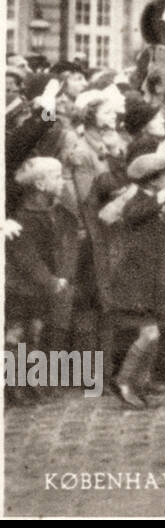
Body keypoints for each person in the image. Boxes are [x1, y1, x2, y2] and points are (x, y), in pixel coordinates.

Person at [108, 152, 165, 409]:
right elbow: (134, 215)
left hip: (153, 278)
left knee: (154, 333)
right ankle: (124, 381)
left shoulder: (156, 203)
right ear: (153, 181)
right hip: (136, 280)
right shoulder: (137, 202)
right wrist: (164, 197)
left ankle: (140, 380)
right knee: (149, 334)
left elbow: (164, 234)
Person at [5, 157, 80, 403]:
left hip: (39, 289)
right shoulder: (23, 219)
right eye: (57, 177)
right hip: (21, 288)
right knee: (17, 335)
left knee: (35, 333)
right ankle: (15, 389)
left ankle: (33, 385)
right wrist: (51, 281)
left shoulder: (52, 211)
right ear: (40, 184)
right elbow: (28, 259)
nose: (62, 181)